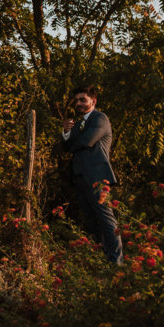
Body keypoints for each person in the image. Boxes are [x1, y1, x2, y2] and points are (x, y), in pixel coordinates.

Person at [61, 85, 123, 265]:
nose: (79, 103)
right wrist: (66, 132)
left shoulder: (100, 118)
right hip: (80, 176)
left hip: (97, 177)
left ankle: (116, 263)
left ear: (93, 101)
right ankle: (101, 261)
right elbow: (67, 147)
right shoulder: (80, 123)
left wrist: (73, 139)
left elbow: (86, 142)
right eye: (77, 100)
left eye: (83, 100)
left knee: (106, 219)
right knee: (91, 220)